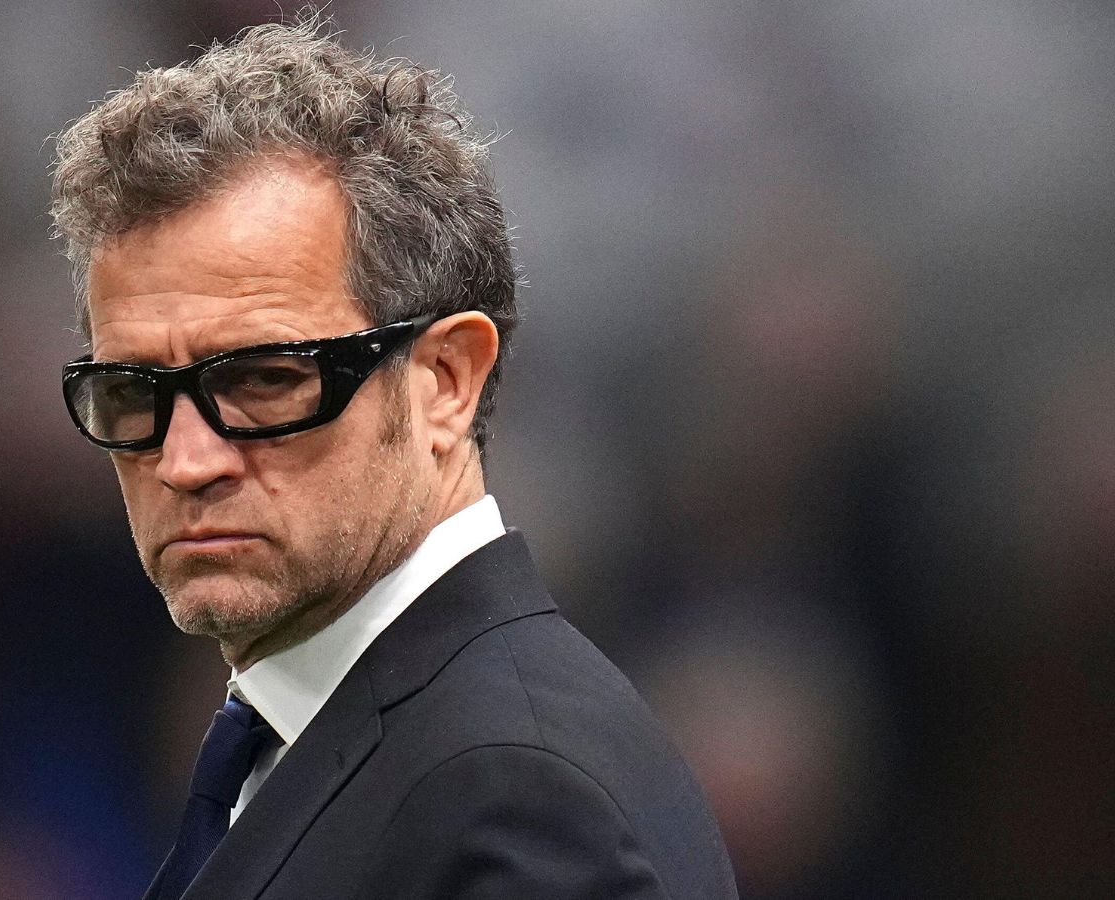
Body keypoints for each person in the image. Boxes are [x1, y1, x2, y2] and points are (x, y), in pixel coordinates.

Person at [49, 18, 737, 899]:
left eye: (264, 379)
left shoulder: (514, 793)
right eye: (135, 392)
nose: (186, 461)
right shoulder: (347, 747)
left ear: (446, 381)